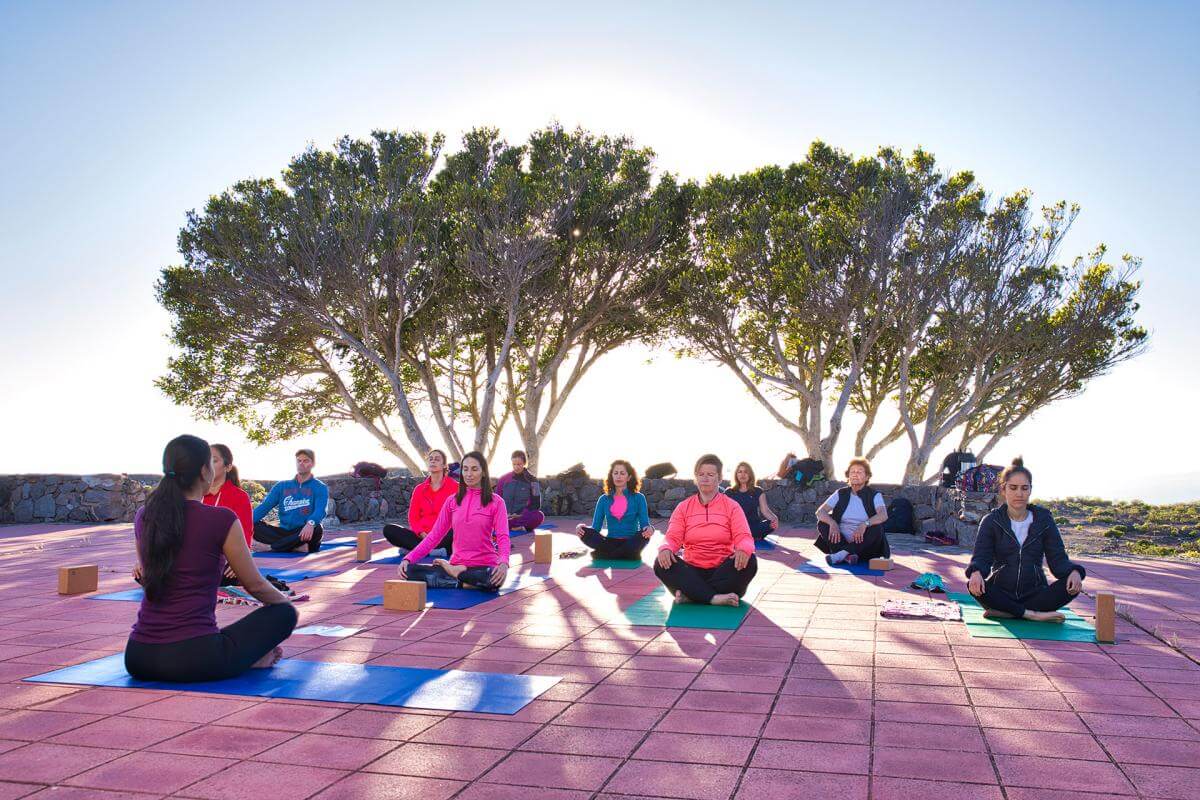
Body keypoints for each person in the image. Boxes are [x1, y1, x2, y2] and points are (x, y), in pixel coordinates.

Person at [125, 435, 297, 682]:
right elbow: (255, 585)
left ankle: (247, 657)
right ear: (205, 470)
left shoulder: (144, 515)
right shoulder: (221, 519)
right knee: (284, 614)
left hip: (138, 657)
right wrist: (286, 606)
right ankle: (250, 658)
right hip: (195, 658)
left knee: (216, 636)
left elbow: (148, 572)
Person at [966, 457, 1085, 623]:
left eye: (1024, 488)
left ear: (1030, 490)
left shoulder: (1044, 520)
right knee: (973, 585)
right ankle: (1031, 614)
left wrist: (1075, 572)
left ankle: (1008, 611)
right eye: (1013, 488)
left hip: (1036, 593)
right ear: (1003, 489)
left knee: (1072, 586)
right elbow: (982, 556)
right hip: (1002, 591)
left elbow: (1058, 559)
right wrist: (977, 572)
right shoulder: (991, 521)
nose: (1019, 494)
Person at [398, 451, 510, 592]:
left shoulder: (496, 502)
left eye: (474, 469)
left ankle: (453, 575)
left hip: (484, 564)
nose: (469, 474)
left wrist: (503, 563)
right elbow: (434, 536)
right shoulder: (452, 501)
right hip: (458, 562)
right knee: (410, 571)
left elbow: (503, 537)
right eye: (465, 469)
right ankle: (461, 578)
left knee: (493, 579)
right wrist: (408, 559)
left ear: (483, 472)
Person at [654, 454, 758, 606]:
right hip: (692, 571)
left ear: (720, 478)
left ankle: (693, 595)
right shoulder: (683, 507)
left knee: (750, 561)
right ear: (696, 478)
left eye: (710, 474)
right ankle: (714, 598)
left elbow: (743, 536)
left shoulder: (732, 506)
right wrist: (666, 548)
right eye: (701, 474)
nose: (705, 478)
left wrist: (743, 549)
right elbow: (672, 537)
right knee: (661, 563)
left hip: (722, 570)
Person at [814, 457, 890, 565]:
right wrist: (832, 523)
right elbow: (820, 512)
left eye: (859, 472)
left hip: (864, 543)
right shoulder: (840, 493)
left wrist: (864, 524)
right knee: (822, 523)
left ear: (867, 476)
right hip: (840, 540)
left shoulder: (874, 495)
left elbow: (883, 515)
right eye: (852, 471)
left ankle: (842, 554)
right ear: (848, 475)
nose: (855, 474)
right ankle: (849, 555)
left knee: (877, 528)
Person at [383, 449, 457, 556]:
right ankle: (431, 550)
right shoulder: (419, 489)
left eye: (437, 459)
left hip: (444, 536)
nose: (433, 461)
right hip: (423, 536)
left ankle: (417, 548)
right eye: (430, 459)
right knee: (389, 530)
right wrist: (422, 533)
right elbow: (413, 517)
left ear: (444, 465)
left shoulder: (456, 488)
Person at [252, 449, 328, 553]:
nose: (301, 464)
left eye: (305, 461)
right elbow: (264, 507)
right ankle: (295, 548)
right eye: (299, 461)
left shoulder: (320, 487)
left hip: (303, 532)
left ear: (312, 464)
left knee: (317, 528)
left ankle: (271, 547)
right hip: (283, 532)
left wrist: (311, 523)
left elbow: (320, 511)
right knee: (254, 525)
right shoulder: (281, 486)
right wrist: (244, 521)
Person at [576, 459, 653, 560]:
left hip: (631, 541)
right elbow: (596, 528)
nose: (618, 476)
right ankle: (624, 554)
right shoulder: (603, 499)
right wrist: (580, 527)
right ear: (611, 476)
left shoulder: (639, 498)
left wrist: (650, 529)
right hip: (610, 542)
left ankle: (608, 553)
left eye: (622, 473)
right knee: (585, 532)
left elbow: (644, 525)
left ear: (629, 477)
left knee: (643, 536)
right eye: (615, 473)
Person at [203, 444, 255, 586]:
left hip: (223, 558)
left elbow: (245, 531)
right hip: (193, 556)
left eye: (214, 460)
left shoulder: (239, 496)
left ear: (228, 467)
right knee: (148, 572)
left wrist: (240, 560)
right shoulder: (194, 493)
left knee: (230, 574)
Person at [726, 462, 779, 540]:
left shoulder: (758, 491)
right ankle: (747, 536)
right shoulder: (729, 492)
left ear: (750, 474)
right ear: (736, 475)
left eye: (746, 472)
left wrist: (775, 519)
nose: (742, 474)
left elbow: (765, 510)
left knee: (770, 524)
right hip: (736, 527)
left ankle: (746, 536)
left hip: (754, 526)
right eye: (740, 472)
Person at [496, 450, 545, 532]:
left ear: (524, 463)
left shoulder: (533, 481)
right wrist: (504, 514)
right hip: (505, 517)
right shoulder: (503, 479)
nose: (516, 467)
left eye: (519, 464)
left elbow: (536, 504)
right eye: (514, 464)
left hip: (520, 517)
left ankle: (521, 527)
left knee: (539, 515)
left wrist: (520, 515)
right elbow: (497, 500)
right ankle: (507, 526)